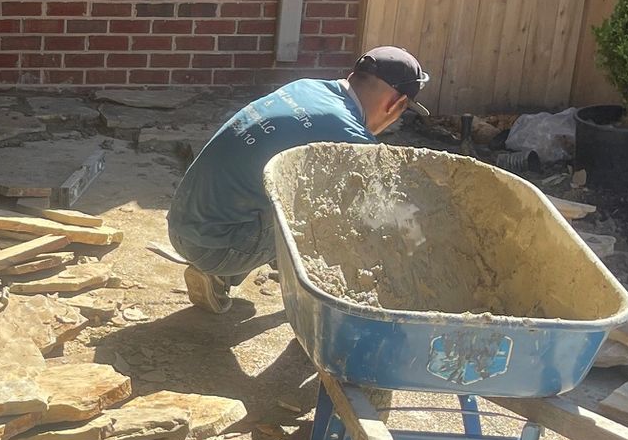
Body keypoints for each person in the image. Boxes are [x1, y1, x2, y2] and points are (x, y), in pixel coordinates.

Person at [167, 47, 430, 313]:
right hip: (214, 246)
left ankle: (219, 274)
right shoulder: (350, 138)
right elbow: (381, 215)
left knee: (292, 192)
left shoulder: (307, 87)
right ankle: (313, 301)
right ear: (395, 105)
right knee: (327, 218)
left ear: (353, 75)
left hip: (181, 224)